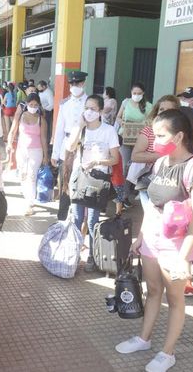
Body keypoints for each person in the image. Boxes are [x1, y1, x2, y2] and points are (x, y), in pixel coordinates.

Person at [116, 108, 193, 372]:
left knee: (175, 298)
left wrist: (184, 258)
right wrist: (141, 235)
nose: (154, 140)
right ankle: (143, 339)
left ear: (179, 136)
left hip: (178, 244)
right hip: (153, 236)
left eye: (160, 135)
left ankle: (167, 353)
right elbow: (152, 205)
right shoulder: (160, 163)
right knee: (153, 290)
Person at [67, 94, 120, 272]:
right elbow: (70, 147)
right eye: (86, 108)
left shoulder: (108, 130)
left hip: (97, 179)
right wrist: (80, 126)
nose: (89, 112)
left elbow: (115, 159)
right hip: (79, 177)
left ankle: (92, 255)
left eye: (93, 109)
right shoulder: (80, 128)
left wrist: (97, 162)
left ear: (100, 111)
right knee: (76, 217)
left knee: (92, 220)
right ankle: (73, 254)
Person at [51, 71, 89, 218]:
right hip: (66, 148)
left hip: (84, 147)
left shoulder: (89, 103)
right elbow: (59, 129)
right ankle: (62, 219)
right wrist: (55, 153)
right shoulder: (64, 104)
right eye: (72, 84)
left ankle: (79, 220)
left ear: (83, 83)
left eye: (77, 83)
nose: (74, 86)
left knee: (82, 184)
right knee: (65, 185)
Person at [131, 95, 180, 207]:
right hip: (150, 182)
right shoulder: (148, 131)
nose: (164, 112)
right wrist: (163, 155)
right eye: (161, 109)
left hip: (172, 183)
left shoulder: (181, 134)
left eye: (169, 110)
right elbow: (135, 156)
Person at [7, 93, 49, 215]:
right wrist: (9, 144)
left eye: (36, 105)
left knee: (32, 176)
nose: (33, 107)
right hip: (21, 150)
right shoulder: (20, 116)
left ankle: (29, 203)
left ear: (39, 106)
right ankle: (27, 196)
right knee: (22, 175)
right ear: (26, 104)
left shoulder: (42, 120)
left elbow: (44, 139)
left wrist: (46, 155)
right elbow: (13, 130)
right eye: (31, 104)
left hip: (36, 151)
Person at [115, 82, 153, 174]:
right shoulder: (126, 102)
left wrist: (142, 124)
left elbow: (151, 122)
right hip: (125, 137)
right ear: (131, 92)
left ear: (143, 93)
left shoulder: (148, 106)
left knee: (137, 166)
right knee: (124, 165)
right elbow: (118, 117)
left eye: (139, 93)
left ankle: (133, 186)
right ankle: (124, 187)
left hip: (140, 140)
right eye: (134, 93)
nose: (136, 95)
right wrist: (122, 123)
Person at [37, 80, 54, 149]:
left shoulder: (49, 93)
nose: (39, 89)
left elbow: (52, 105)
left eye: (40, 88)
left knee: (46, 127)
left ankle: (47, 143)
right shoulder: (41, 92)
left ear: (44, 86)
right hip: (41, 110)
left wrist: (44, 109)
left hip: (47, 112)